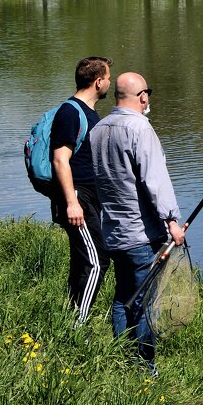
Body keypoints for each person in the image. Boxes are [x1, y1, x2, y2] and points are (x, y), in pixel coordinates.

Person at [90, 72, 184, 370]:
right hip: (142, 234)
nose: (148, 98)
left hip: (114, 231)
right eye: (148, 92)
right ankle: (145, 368)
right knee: (144, 302)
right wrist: (172, 220)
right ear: (142, 96)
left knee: (123, 299)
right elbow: (155, 179)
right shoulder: (140, 129)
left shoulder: (99, 129)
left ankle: (121, 360)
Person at [51, 56, 113, 328]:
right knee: (97, 260)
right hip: (77, 198)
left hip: (87, 198)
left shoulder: (89, 113)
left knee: (82, 261)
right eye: (108, 77)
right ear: (98, 82)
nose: (109, 82)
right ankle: (78, 327)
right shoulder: (70, 112)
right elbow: (59, 159)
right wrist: (71, 202)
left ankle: (70, 319)